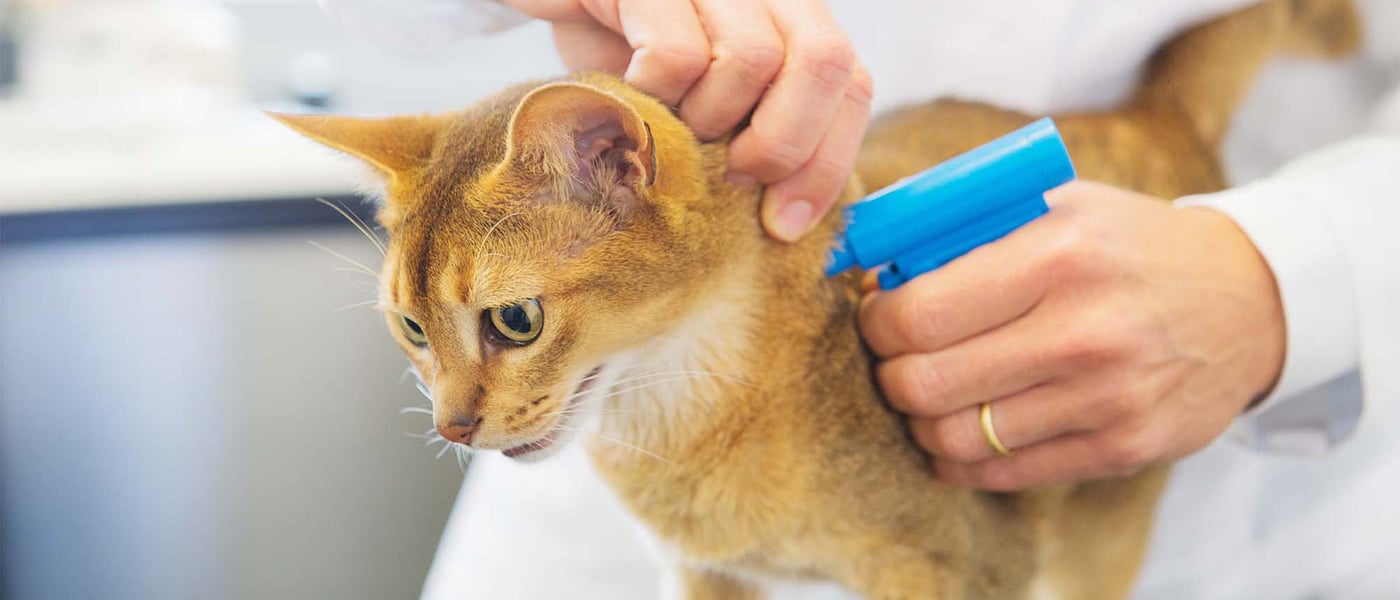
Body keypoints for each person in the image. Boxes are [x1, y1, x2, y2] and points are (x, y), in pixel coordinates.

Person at [320, 1, 1400, 597]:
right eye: (413, 337)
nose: (444, 416)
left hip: (1262, 435)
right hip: (606, 446)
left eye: (500, 326)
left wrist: (1294, 274)